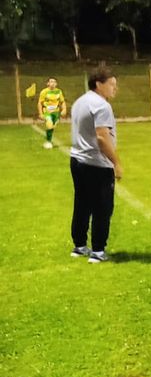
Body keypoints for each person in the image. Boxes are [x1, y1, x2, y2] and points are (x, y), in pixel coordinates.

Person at [69, 67, 122, 264]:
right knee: (102, 207)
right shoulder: (102, 105)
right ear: (99, 84)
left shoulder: (80, 101)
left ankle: (79, 246)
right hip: (97, 164)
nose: (115, 89)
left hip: (77, 160)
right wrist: (116, 163)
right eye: (112, 85)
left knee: (82, 204)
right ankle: (98, 251)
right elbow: (102, 136)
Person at [37, 77, 67, 149]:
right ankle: (48, 142)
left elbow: (62, 101)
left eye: (54, 82)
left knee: (52, 127)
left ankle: (49, 140)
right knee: (49, 124)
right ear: (47, 83)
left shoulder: (59, 91)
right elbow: (40, 103)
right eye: (51, 82)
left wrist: (64, 109)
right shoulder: (44, 92)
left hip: (56, 112)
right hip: (47, 112)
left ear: (56, 84)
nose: (53, 83)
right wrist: (40, 113)